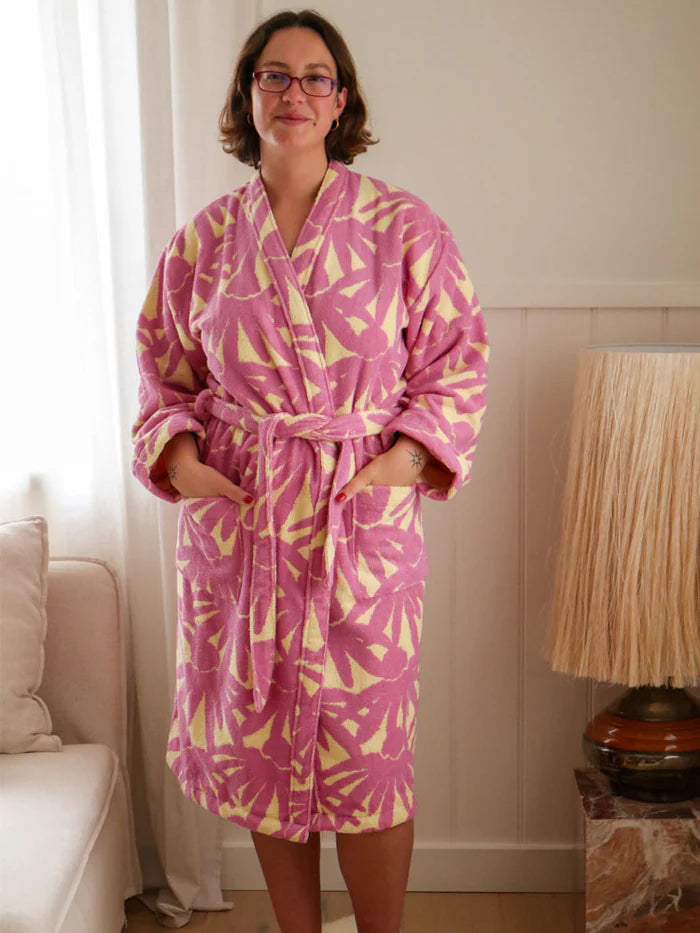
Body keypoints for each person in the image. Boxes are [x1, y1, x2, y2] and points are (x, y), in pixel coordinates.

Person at [132, 9, 488, 933]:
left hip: (358, 525)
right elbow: (163, 375)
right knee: (263, 753)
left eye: (315, 77)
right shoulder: (203, 241)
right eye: (275, 75)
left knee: (369, 765)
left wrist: (402, 462)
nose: (295, 93)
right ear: (248, 95)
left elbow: (456, 362)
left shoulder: (403, 226)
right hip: (243, 523)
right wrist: (185, 463)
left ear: (341, 101)